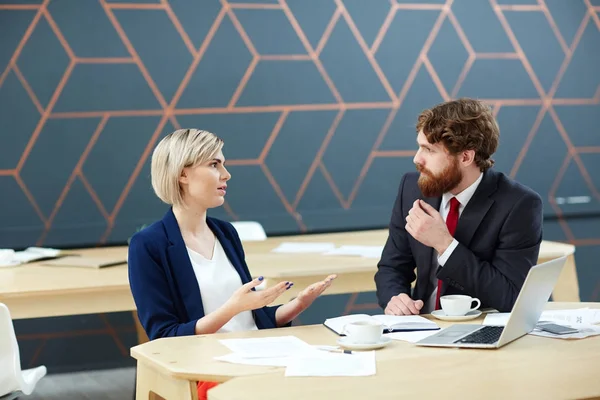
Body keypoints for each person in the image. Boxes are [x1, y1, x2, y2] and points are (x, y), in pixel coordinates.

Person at [128, 128, 336, 400]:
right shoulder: (148, 245)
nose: (226, 174)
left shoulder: (225, 233)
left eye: (223, 164)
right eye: (214, 165)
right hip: (209, 366)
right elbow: (165, 337)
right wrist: (232, 308)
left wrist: (294, 305)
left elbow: (249, 319)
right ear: (183, 174)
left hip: (258, 358)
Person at [375, 98, 543, 316]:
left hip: (479, 332)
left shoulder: (519, 205)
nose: (417, 159)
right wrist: (395, 298)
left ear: (465, 157)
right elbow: (392, 266)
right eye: (419, 147)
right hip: (419, 328)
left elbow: (511, 296)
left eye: (429, 150)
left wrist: (445, 244)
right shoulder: (411, 187)